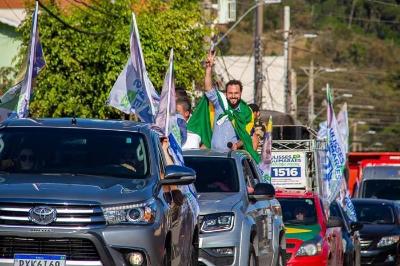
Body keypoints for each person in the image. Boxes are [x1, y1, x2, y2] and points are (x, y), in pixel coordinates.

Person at [187, 50, 260, 163]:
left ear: (241, 93)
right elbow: (209, 90)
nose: (233, 96)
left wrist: (237, 144)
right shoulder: (220, 103)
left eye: (236, 93)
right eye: (230, 93)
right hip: (214, 155)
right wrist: (208, 68)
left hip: (233, 158)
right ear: (226, 94)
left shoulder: (246, 112)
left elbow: (245, 136)